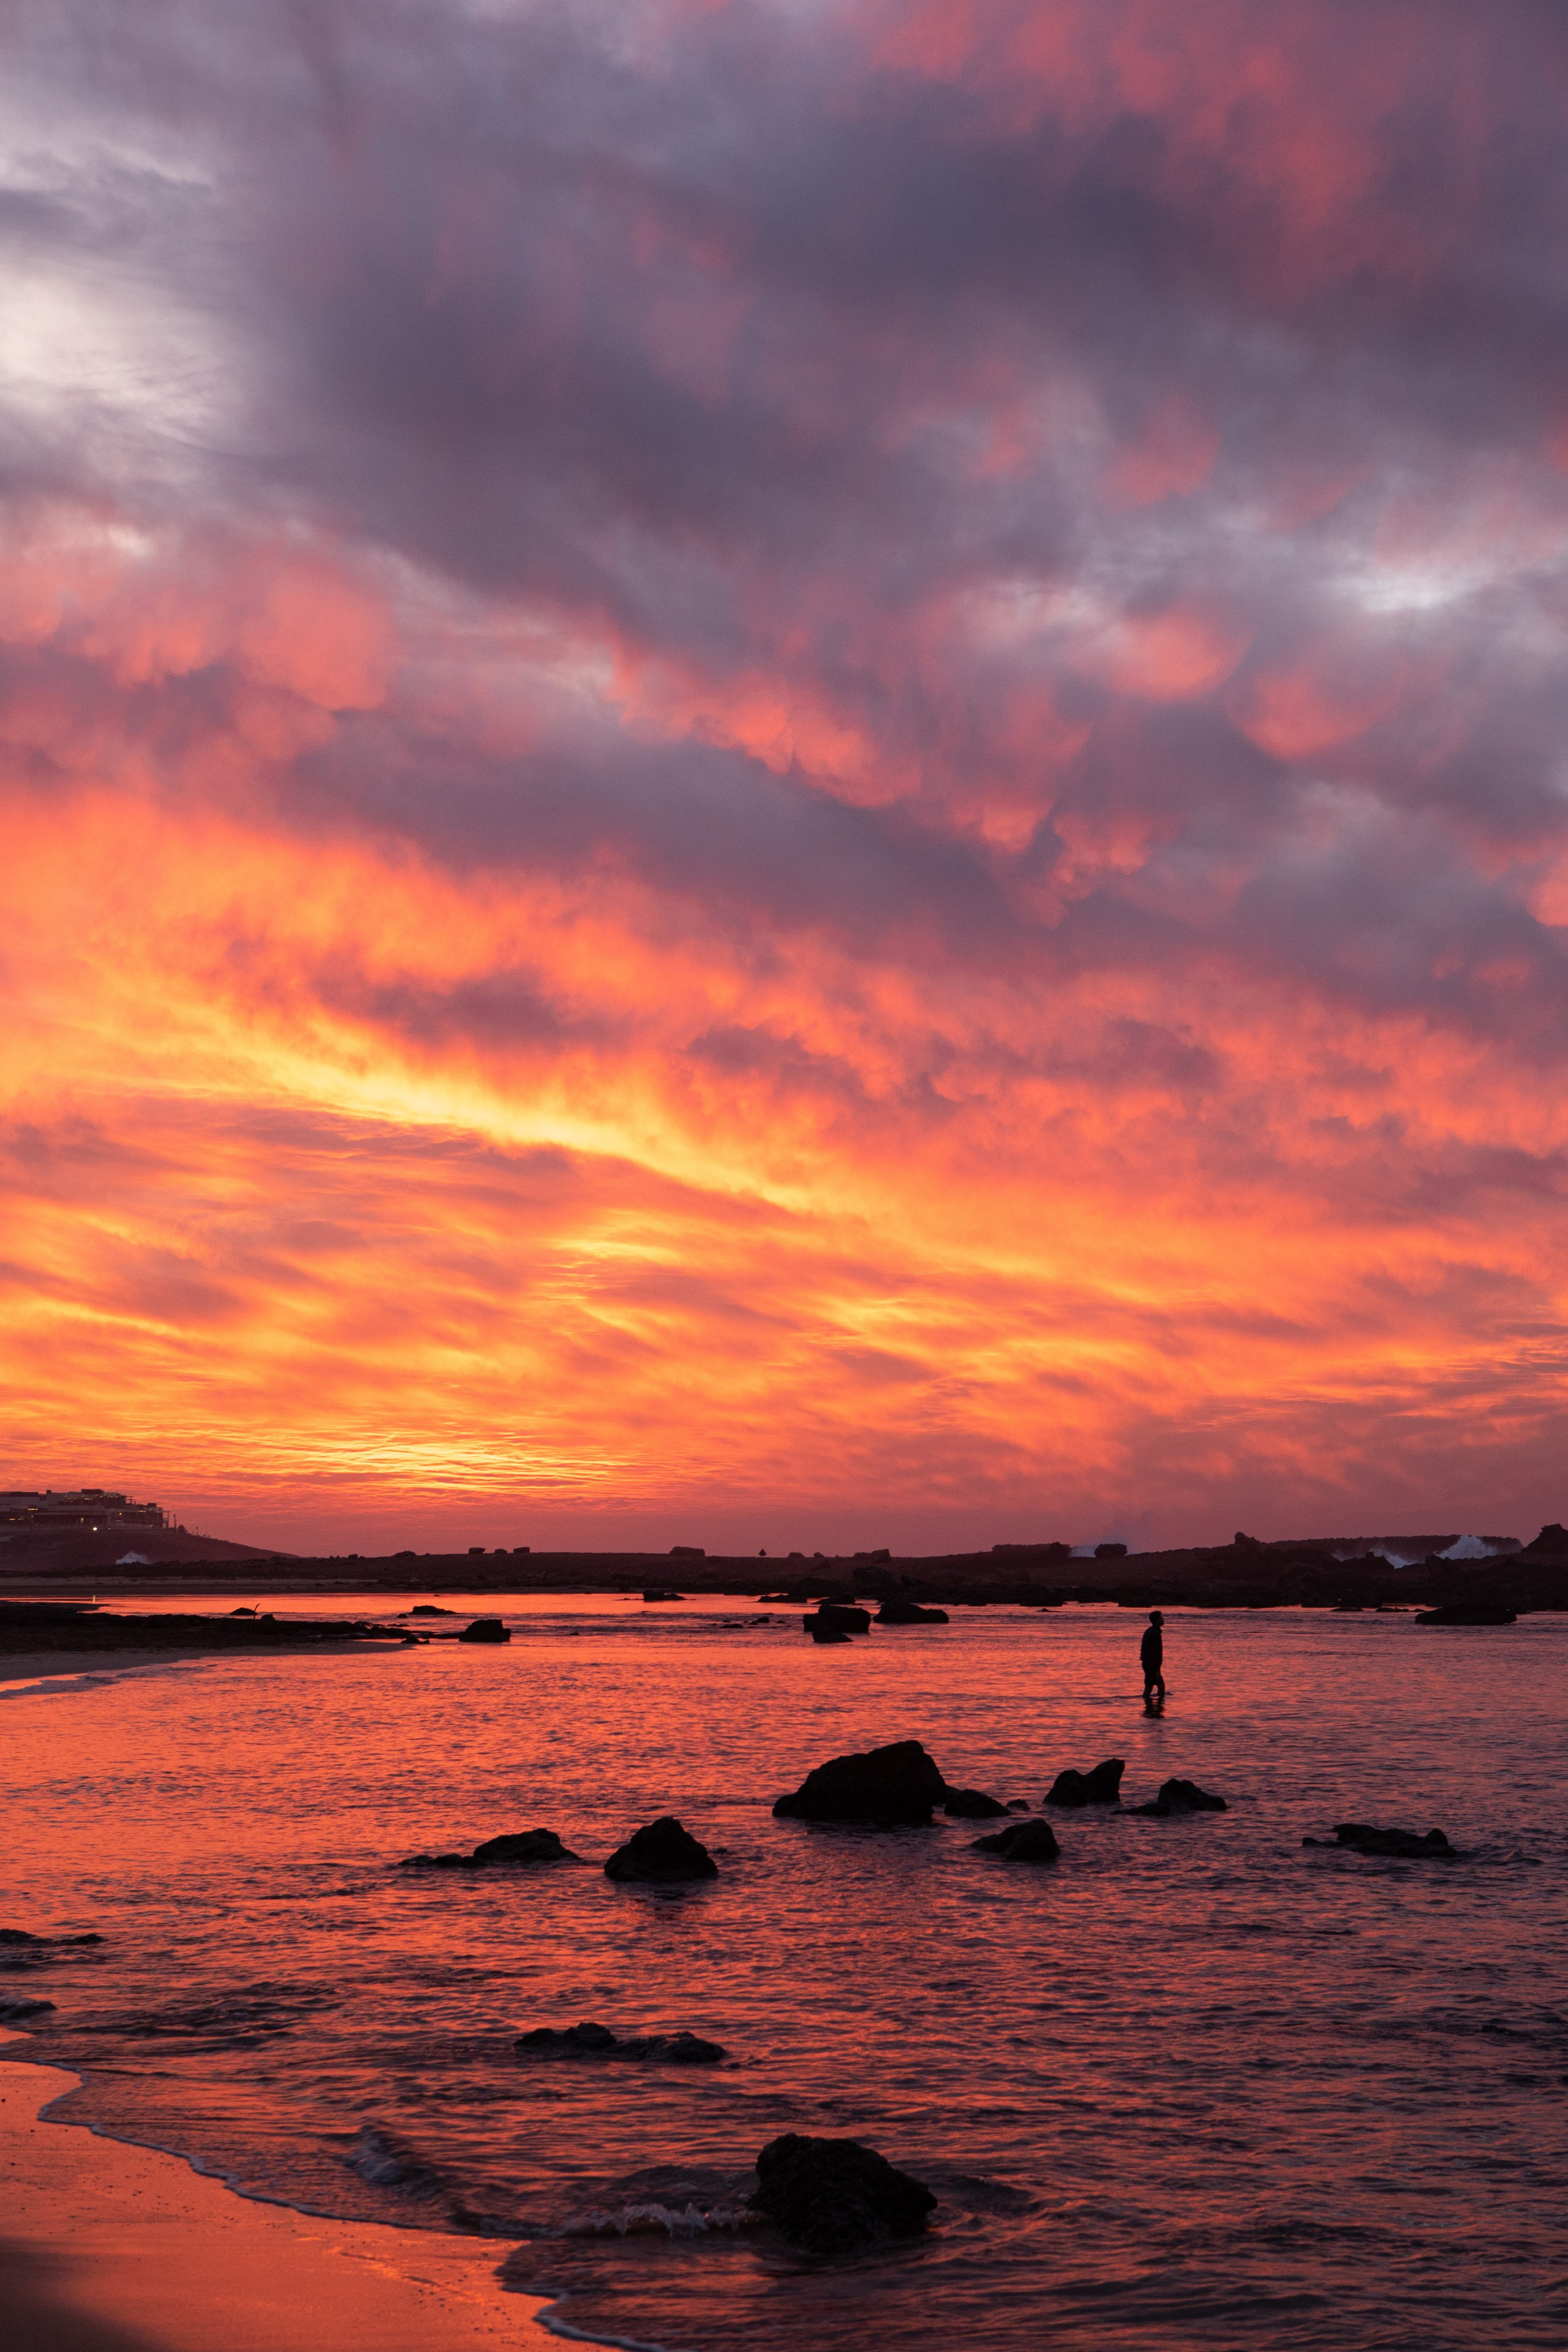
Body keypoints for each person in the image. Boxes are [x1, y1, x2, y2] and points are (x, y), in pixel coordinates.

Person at [1140, 1609, 1166, 1708]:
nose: (1163, 1619)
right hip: (1151, 1665)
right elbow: (1156, 1653)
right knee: (1150, 1687)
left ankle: (1154, 1706)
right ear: (1157, 1620)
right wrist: (1157, 1669)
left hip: (1148, 1663)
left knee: (1158, 1686)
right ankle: (1151, 1707)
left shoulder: (1151, 1631)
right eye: (1161, 1617)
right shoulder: (1155, 1633)